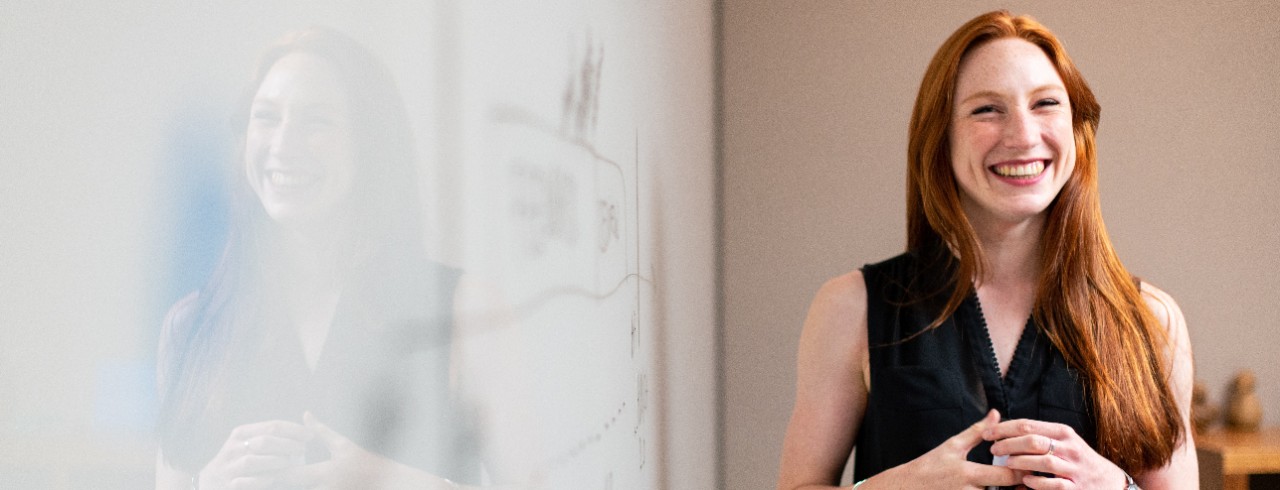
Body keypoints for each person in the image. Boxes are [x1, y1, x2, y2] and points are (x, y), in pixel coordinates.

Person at [777, 11, 1196, 490]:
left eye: (1046, 104)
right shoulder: (850, 308)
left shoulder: (1152, 321)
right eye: (987, 110)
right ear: (941, 139)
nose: (1022, 135)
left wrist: (1117, 489)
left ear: (1077, 130)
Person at [155, 27, 478, 489]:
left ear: (372, 145)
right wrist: (204, 485)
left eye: (317, 122)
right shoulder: (188, 328)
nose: (284, 144)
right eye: (265, 118)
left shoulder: (463, 311)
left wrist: (391, 481)